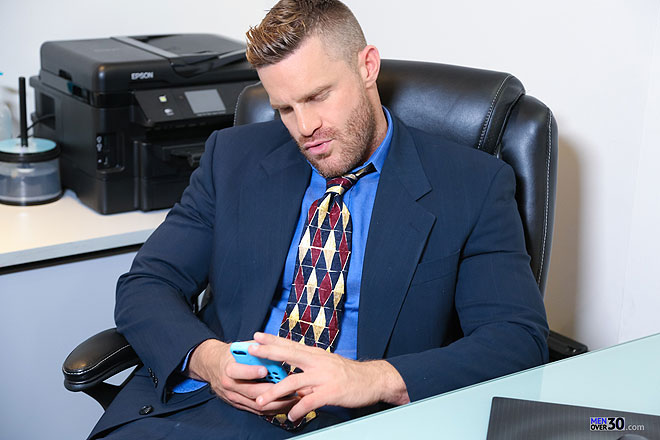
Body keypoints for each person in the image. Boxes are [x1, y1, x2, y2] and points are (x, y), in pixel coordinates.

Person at [89, 0, 549, 438]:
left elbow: (516, 339)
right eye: (285, 109)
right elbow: (147, 283)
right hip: (211, 409)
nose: (305, 127)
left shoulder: (470, 184)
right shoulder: (232, 158)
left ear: (367, 67)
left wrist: (373, 379)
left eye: (317, 96)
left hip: (358, 421)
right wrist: (208, 360)